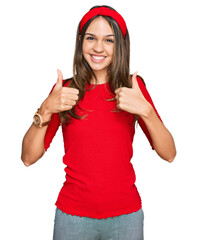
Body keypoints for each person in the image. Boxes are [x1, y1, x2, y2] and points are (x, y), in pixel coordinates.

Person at [21, 5, 176, 240]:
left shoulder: (134, 89)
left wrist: (147, 111)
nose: (98, 48)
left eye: (109, 40)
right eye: (91, 38)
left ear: (120, 45)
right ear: (80, 41)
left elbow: (169, 154)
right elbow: (28, 158)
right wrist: (45, 109)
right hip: (72, 217)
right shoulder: (66, 91)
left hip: (126, 217)